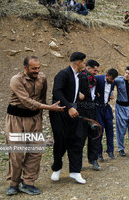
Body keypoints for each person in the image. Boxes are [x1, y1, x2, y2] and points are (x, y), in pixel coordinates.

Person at [5, 56, 65, 196]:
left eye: (38, 68)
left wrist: (41, 115)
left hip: (34, 119)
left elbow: (41, 98)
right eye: (33, 68)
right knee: (16, 154)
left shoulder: (42, 78)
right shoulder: (16, 80)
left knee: (35, 151)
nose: (37, 71)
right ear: (25, 68)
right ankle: (13, 183)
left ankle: (28, 183)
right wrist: (50, 108)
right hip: (16, 120)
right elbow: (27, 102)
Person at [50, 52, 88, 184]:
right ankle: (57, 169)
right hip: (60, 113)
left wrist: (78, 96)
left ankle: (75, 172)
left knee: (77, 139)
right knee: (60, 140)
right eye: (84, 62)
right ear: (78, 63)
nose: (85, 64)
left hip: (74, 112)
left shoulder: (78, 76)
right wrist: (69, 107)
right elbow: (57, 92)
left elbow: (70, 91)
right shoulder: (63, 74)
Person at [77, 60, 102, 171]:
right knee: (80, 137)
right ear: (88, 68)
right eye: (94, 70)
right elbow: (70, 88)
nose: (96, 72)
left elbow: (91, 92)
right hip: (82, 111)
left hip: (92, 109)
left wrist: (95, 94)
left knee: (95, 134)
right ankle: (77, 163)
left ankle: (93, 159)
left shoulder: (93, 79)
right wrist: (78, 93)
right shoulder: (80, 77)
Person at [94, 68, 118, 161]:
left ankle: (110, 150)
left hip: (106, 107)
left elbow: (110, 90)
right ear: (107, 75)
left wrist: (111, 93)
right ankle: (99, 153)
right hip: (97, 108)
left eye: (113, 79)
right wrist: (96, 93)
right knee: (100, 130)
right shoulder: (97, 79)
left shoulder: (112, 82)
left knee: (110, 129)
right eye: (111, 78)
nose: (112, 81)